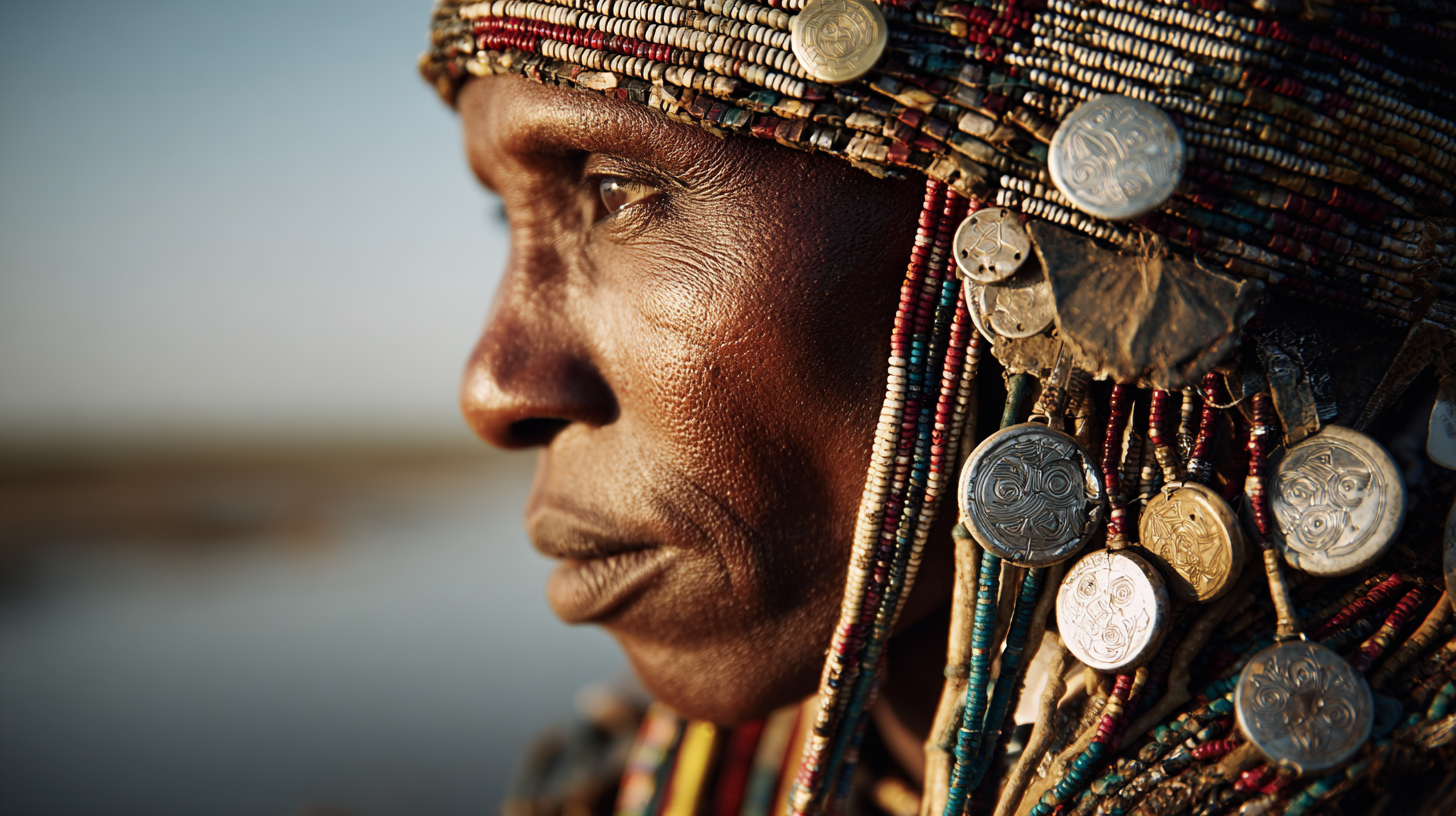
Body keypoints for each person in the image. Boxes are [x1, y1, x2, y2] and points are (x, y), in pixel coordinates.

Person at [420, 0, 1456, 813]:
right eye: (504, 219)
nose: (496, 385)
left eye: (612, 189)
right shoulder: (615, 788)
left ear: (1056, 232)